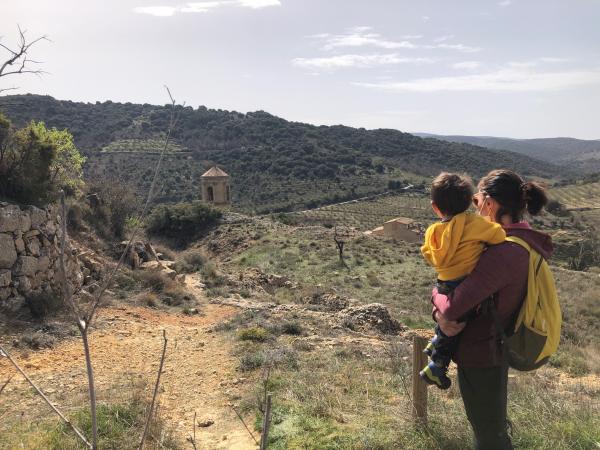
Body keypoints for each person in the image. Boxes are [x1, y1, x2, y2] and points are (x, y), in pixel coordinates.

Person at [432, 169, 552, 450]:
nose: (474, 209)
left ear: (489, 203)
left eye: (476, 202)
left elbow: (453, 305)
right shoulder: (516, 243)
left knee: (489, 438)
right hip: (492, 349)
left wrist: (436, 297)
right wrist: (441, 311)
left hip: (481, 354)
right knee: (491, 430)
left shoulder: (504, 252)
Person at [419, 172, 506, 389]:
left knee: (447, 322)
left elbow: (428, 253)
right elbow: (499, 236)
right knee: (456, 326)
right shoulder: (474, 224)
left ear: (435, 207)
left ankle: (436, 342)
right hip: (465, 283)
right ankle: (437, 367)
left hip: (443, 282)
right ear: (469, 201)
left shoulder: (433, 231)